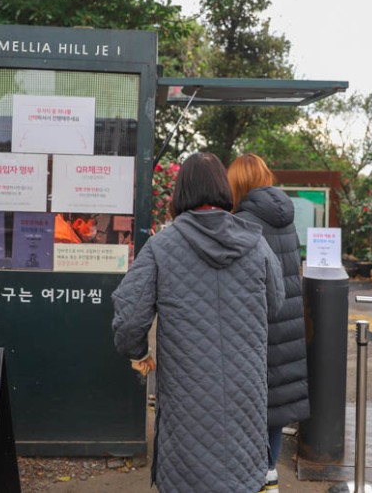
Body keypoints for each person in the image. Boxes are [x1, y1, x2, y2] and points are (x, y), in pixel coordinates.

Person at [112, 152, 285, 493]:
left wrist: (138, 352)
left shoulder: (162, 246)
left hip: (185, 397)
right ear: (224, 190)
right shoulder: (257, 243)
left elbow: (130, 318)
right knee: (241, 479)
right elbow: (275, 304)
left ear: (181, 194)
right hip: (245, 395)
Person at [227, 153, 310, 492]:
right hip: (287, 323)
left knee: (247, 403)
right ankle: (269, 471)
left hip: (254, 326)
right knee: (274, 403)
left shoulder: (241, 222)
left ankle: (250, 475)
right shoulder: (286, 219)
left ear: (238, 183)